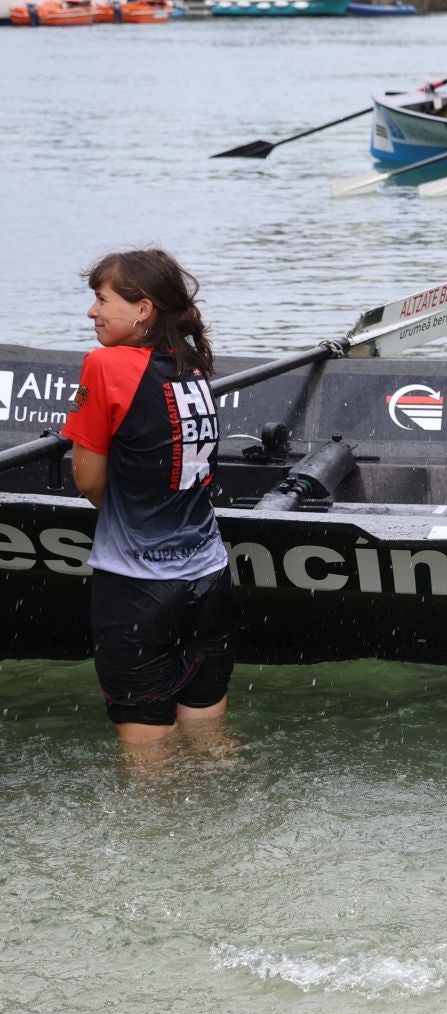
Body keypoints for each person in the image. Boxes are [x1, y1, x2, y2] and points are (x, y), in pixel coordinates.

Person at [62, 250, 236, 758]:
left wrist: (127, 512)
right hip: (210, 579)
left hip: (138, 590)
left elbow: (88, 480)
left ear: (143, 309)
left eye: (101, 300)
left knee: (149, 758)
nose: (92, 312)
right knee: (210, 739)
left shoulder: (105, 364)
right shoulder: (192, 364)